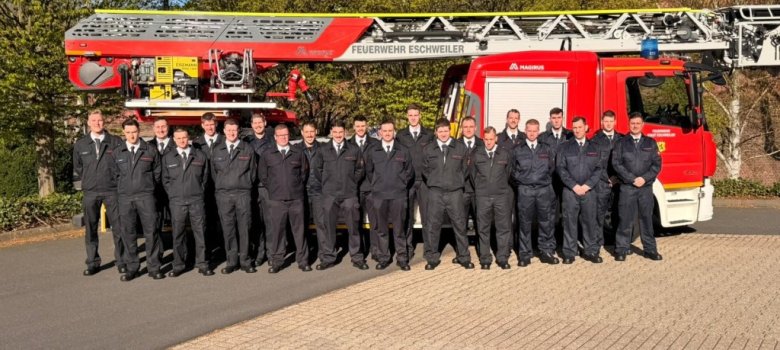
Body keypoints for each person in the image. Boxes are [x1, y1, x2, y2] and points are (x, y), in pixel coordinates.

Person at [72, 109, 125, 276]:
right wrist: (88, 181)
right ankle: (93, 262)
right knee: (90, 228)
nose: (97, 123)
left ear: (105, 122)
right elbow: (78, 167)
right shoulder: (80, 145)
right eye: (93, 120)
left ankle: (122, 260)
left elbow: (121, 165)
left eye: (100, 120)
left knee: (119, 227)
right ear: (88, 123)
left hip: (112, 191)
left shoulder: (115, 142)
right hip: (91, 193)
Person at [113, 118, 163, 281]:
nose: (131, 135)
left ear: (139, 131)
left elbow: (157, 172)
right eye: (128, 132)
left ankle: (154, 267)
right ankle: (132, 267)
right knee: (128, 233)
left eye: (134, 132)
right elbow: (115, 175)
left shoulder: (149, 150)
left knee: (151, 232)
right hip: (126, 198)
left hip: (146, 196)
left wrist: (147, 187)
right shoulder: (118, 151)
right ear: (124, 133)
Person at [314, 120, 367, 270]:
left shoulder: (353, 149)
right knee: (328, 228)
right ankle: (329, 258)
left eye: (341, 132)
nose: (338, 135)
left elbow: (359, 170)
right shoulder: (323, 150)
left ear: (345, 133)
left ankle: (357, 257)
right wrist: (327, 183)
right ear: (331, 132)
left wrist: (351, 182)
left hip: (349, 194)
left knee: (354, 227)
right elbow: (318, 171)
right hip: (330, 195)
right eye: (335, 132)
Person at [422, 118, 474, 270]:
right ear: (436, 132)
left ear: (449, 131)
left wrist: (455, 181)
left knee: (459, 225)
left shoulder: (459, 147)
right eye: (440, 131)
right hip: (435, 193)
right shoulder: (428, 149)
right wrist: (435, 180)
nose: (443, 134)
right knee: (433, 226)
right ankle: (432, 258)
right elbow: (425, 170)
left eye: (446, 131)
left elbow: (465, 170)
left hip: (455, 193)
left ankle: (464, 257)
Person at [161, 128, 214, 277]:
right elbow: (165, 180)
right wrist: (173, 194)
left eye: (184, 137)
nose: (182, 141)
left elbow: (205, 178)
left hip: (196, 200)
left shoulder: (200, 155)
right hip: (177, 202)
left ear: (188, 137)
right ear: (174, 139)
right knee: (178, 234)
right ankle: (178, 264)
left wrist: (198, 192)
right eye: (178, 138)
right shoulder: (168, 157)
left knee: (200, 233)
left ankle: (202, 263)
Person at [259, 125, 311, 273]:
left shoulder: (298, 153)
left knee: (299, 231)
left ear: (289, 136)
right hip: (276, 200)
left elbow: (304, 174)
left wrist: (296, 187)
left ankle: (303, 261)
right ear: (275, 137)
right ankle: (276, 261)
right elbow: (263, 175)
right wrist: (274, 189)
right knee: (277, 232)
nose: (283, 137)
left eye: (286, 135)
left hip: (296, 199)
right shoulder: (267, 154)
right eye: (280, 135)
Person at [612, 112, 663, 262]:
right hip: (627, 187)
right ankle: (621, 249)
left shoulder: (650, 143)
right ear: (629, 124)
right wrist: (632, 179)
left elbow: (657, 165)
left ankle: (650, 250)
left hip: (645, 188)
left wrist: (644, 178)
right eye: (632, 123)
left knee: (646, 219)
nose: (635, 126)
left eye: (637, 123)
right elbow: (617, 164)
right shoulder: (621, 143)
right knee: (625, 219)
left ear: (642, 125)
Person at [365, 119, 413, 270]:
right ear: (380, 133)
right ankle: (384, 257)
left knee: (399, 229)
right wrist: (377, 185)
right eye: (384, 131)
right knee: (381, 229)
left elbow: (409, 171)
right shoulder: (373, 151)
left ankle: (402, 258)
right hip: (379, 196)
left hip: (398, 195)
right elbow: (369, 171)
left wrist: (400, 183)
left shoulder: (403, 150)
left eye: (390, 131)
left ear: (394, 132)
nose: (387, 133)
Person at [211, 119, 256, 274]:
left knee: (245, 228)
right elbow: (213, 173)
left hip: (242, 194)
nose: (232, 133)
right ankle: (231, 261)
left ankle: (245, 261)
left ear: (239, 131)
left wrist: (243, 185)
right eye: (229, 130)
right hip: (224, 196)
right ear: (224, 131)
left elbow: (253, 173)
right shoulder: (217, 150)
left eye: (235, 130)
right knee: (228, 229)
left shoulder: (247, 149)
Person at [512, 119, 560, 267]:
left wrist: (543, 180)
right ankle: (525, 254)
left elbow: (552, 168)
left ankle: (546, 251)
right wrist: (523, 180)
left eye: (535, 130)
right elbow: (512, 170)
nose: (532, 133)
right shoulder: (518, 149)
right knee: (524, 223)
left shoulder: (546, 149)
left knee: (546, 222)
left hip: (543, 190)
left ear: (538, 132)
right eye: (529, 130)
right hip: (525, 191)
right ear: (525, 131)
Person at [556, 117, 603, 264]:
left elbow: (599, 168)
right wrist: (574, 186)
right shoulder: (565, 147)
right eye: (574, 127)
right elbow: (560, 168)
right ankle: (569, 252)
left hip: (589, 191)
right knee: (569, 222)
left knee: (590, 222)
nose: (577, 130)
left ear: (586, 127)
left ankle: (591, 251)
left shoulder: (595, 147)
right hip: (570, 191)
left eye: (580, 127)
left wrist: (587, 185)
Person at [471, 126, 512, 269]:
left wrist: (499, 186)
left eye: (491, 139)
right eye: (486, 139)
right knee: (483, 228)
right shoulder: (477, 155)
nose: (488, 142)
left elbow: (508, 173)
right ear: (483, 139)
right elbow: (472, 175)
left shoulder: (504, 154)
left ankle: (502, 258)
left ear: (496, 139)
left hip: (501, 196)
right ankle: (485, 259)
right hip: (483, 196)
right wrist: (482, 188)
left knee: (503, 228)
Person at [395, 103, 433, 259]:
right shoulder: (401, 135)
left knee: (427, 218)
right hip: (408, 183)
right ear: (407, 116)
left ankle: (429, 251)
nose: (413, 118)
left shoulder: (429, 135)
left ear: (420, 116)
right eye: (410, 115)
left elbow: (432, 158)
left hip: (424, 182)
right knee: (407, 218)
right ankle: (407, 249)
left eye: (415, 115)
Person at [192, 113, 225, 262]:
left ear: (216, 124)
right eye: (207, 124)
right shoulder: (197, 143)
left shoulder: (224, 140)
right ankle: (209, 251)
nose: (210, 127)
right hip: (204, 189)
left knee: (223, 221)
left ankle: (224, 250)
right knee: (206, 222)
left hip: (222, 188)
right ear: (202, 125)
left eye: (212, 124)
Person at [590, 110, 624, 246]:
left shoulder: (622, 139)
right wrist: (607, 178)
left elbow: (625, 161)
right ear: (601, 122)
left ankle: (618, 243)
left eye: (611, 121)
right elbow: (594, 162)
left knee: (618, 213)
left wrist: (616, 177)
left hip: (618, 182)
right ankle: (598, 244)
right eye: (606, 121)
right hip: (601, 182)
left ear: (615, 122)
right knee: (599, 214)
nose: (608, 124)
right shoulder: (595, 140)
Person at [349, 116, 380, 261]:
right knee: (356, 223)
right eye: (358, 126)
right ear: (354, 127)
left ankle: (376, 251)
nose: (360, 129)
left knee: (375, 222)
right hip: (355, 189)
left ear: (366, 126)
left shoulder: (375, 143)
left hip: (372, 188)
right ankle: (358, 253)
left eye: (363, 126)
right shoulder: (348, 144)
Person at [244, 112, 273, 267]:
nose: (257, 125)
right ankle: (259, 253)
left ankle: (271, 252)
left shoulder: (273, 141)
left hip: (268, 188)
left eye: (260, 122)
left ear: (265, 122)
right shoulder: (246, 142)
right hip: (252, 188)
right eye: (254, 123)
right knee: (256, 223)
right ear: (251, 125)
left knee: (270, 222)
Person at [294, 121, 324, 266]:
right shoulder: (295, 149)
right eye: (307, 132)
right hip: (302, 192)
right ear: (302, 133)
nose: (310, 135)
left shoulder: (323, 149)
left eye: (312, 131)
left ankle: (325, 256)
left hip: (319, 192)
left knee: (321, 225)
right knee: (302, 227)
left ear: (316, 132)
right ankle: (303, 259)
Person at [148, 118, 175, 251]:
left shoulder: (177, 143)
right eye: (157, 127)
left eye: (163, 126)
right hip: (155, 190)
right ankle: (157, 253)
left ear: (168, 127)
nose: (160, 130)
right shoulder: (147, 146)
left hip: (173, 191)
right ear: (153, 129)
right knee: (155, 224)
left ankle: (179, 255)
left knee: (177, 223)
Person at [458, 116, 483, 255]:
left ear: (475, 128)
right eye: (465, 127)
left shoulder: (482, 144)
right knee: (460, 223)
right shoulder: (455, 144)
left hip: (478, 190)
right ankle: (462, 252)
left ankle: (482, 250)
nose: (468, 129)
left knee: (480, 221)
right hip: (461, 190)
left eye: (470, 127)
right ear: (462, 129)